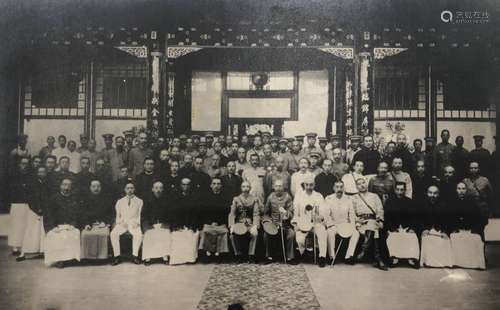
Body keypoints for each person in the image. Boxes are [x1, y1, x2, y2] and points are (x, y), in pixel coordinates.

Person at [43, 178, 81, 268]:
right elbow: (49, 215)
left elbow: (77, 214)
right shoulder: (53, 199)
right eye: (64, 184)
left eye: (68, 185)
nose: (66, 187)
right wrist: (53, 227)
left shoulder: (74, 198)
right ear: (60, 186)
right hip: (57, 226)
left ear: (71, 187)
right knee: (54, 236)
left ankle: (70, 258)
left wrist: (73, 224)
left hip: (70, 225)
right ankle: (59, 259)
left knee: (74, 233)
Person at [291, 175, 328, 267]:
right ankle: (303, 253)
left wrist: (320, 217)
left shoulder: (318, 196)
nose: (309, 187)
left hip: (315, 222)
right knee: (299, 239)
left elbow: (323, 210)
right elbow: (296, 211)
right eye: (307, 185)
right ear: (304, 185)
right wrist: (295, 223)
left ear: (314, 185)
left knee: (322, 233)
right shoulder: (299, 195)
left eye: (311, 185)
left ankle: (322, 257)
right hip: (302, 221)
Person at [351, 178, 387, 270]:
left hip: (373, 220)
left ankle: (364, 250)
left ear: (366, 184)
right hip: (361, 223)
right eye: (359, 184)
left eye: (363, 183)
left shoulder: (374, 196)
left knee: (372, 226)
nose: (362, 185)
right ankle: (378, 259)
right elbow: (351, 212)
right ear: (356, 187)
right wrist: (357, 220)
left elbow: (380, 209)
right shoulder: (353, 198)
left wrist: (380, 221)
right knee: (374, 231)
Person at [449, 182, 485, 269]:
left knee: (475, 239)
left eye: (463, 189)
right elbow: (449, 219)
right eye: (459, 189)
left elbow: (480, 218)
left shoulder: (473, 202)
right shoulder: (452, 202)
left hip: (470, 230)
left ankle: (474, 264)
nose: (461, 191)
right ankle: (457, 263)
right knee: (453, 237)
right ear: (456, 190)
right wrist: (454, 228)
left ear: (466, 190)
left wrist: (475, 229)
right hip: (457, 230)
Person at [384, 182, 420, 268]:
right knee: (393, 236)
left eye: (402, 190)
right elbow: (387, 216)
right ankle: (394, 257)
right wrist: (391, 228)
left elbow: (414, 217)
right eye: (398, 190)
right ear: (395, 190)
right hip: (394, 227)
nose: (400, 192)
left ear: (405, 190)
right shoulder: (389, 201)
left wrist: (411, 228)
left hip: (406, 227)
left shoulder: (409, 202)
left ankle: (411, 258)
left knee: (412, 237)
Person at [16, 166, 48, 262]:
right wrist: (37, 209)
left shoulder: (48, 184)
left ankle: (43, 251)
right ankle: (24, 253)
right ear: (37, 173)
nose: (42, 174)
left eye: (43, 172)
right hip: (33, 211)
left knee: (43, 232)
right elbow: (30, 198)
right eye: (40, 172)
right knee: (30, 232)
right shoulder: (32, 184)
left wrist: (45, 209)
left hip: (45, 211)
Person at [324, 181, 359, 265]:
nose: (339, 189)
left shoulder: (348, 199)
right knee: (330, 233)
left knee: (356, 233)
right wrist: (330, 225)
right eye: (337, 187)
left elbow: (351, 213)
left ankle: (349, 256)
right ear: (334, 188)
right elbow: (326, 214)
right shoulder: (328, 198)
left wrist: (352, 225)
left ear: (344, 188)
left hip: (345, 223)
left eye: (341, 187)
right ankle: (332, 256)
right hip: (334, 224)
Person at [262, 180, 297, 264]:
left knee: (291, 234)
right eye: (277, 186)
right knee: (266, 235)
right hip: (273, 223)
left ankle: (290, 257)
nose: (278, 188)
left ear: (283, 187)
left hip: (285, 224)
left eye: (280, 186)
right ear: (273, 187)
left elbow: (291, 212)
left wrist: (286, 214)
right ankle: (269, 257)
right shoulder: (270, 197)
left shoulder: (288, 197)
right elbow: (266, 213)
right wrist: (268, 223)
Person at [419, 185, 453, 268]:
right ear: (427, 193)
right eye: (430, 193)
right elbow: (419, 220)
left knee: (444, 240)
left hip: (440, 231)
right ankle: (428, 262)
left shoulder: (444, 205)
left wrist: (445, 231)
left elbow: (447, 220)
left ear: (438, 194)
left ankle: (441, 262)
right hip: (427, 230)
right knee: (426, 239)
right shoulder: (422, 205)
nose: (432, 195)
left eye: (435, 193)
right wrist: (424, 229)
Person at [110, 182, 143, 266]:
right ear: (125, 190)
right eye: (128, 188)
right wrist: (120, 223)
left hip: (133, 222)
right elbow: (118, 215)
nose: (130, 190)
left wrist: (137, 223)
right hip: (123, 222)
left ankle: (135, 256)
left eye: (132, 188)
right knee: (113, 234)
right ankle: (117, 256)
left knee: (138, 235)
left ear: (134, 189)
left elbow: (139, 214)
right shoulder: (120, 201)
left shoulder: (139, 201)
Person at [169, 178, 201, 265]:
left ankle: (190, 259)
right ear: (180, 186)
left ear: (190, 186)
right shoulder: (175, 197)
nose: (185, 187)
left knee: (191, 235)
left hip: (191, 225)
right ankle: (178, 260)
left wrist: (191, 226)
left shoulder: (195, 198)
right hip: (178, 225)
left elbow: (196, 214)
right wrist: (177, 226)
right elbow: (173, 213)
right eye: (183, 184)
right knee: (177, 236)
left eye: (187, 184)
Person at [198, 178, 231, 262]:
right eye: (214, 184)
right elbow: (203, 212)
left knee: (224, 232)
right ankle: (208, 253)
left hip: (221, 223)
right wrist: (211, 222)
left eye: (218, 184)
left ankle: (219, 253)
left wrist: (218, 222)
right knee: (205, 231)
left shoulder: (225, 197)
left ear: (221, 186)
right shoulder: (205, 197)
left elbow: (226, 212)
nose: (216, 186)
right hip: (209, 223)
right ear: (211, 185)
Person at [228, 181, 261, 264]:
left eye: (247, 187)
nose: (245, 189)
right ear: (241, 188)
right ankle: (238, 255)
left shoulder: (254, 199)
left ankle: (251, 255)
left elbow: (256, 213)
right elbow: (232, 213)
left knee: (255, 234)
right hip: (239, 223)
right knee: (232, 236)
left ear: (250, 188)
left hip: (250, 223)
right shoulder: (236, 199)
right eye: (243, 187)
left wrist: (255, 225)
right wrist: (231, 225)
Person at [80, 180, 113, 261]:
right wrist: (86, 224)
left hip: (102, 223)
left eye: (98, 186)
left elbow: (110, 213)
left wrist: (105, 222)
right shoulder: (85, 199)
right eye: (94, 186)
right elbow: (83, 213)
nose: (96, 188)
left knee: (103, 234)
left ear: (101, 188)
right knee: (85, 234)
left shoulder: (106, 198)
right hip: (90, 224)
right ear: (90, 188)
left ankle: (102, 257)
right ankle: (88, 257)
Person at [141, 181, 172, 266]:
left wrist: (166, 223)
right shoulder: (147, 200)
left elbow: (170, 214)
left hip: (163, 223)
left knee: (165, 234)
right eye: (156, 188)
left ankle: (165, 256)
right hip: (151, 224)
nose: (158, 190)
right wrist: (148, 225)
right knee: (149, 234)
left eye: (160, 188)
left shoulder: (166, 200)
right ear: (152, 189)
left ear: (163, 189)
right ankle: (148, 257)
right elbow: (144, 215)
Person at [8, 157, 32, 256]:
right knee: (16, 225)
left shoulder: (31, 175)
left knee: (26, 225)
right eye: (23, 163)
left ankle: (24, 246)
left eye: (26, 164)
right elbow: (9, 188)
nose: (24, 165)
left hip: (27, 203)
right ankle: (15, 247)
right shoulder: (13, 175)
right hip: (16, 203)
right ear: (19, 164)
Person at [462, 161, 493, 232]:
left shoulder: (485, 180)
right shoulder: (465, 181)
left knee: (481, 231)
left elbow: (490, 197)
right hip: (469, 210)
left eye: (475, 168)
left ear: (479, 169)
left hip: (482, 210)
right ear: (469, 169)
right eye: (471, 168)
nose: (473, 170)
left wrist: (490, 211)